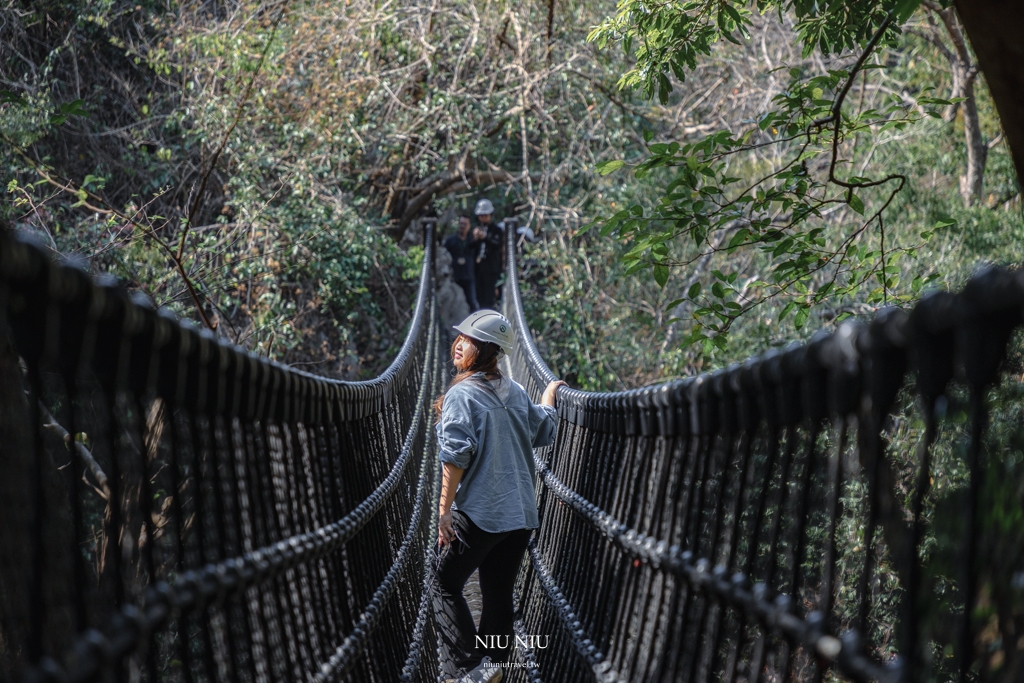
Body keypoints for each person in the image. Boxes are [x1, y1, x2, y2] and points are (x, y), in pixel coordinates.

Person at [431, 310, 566, 683]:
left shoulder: (461, 394)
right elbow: (543, 428)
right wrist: (550, 396)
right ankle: (493, 670)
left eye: (468, 340)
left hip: (481, 514)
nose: (458, 343)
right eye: (458, 336)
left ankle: (469, 667)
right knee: (497, 593)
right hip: (521, 514)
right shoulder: (516, 391)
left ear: (486, 350)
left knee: (442, 583)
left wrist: (444, 511)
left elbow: (455, 458)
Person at [472, 199, 505, 309]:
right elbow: (470, 248)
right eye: (481, 216)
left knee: (491, 297)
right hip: (479, 270)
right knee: (480, 296)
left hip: (492, 270)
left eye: (485, 215)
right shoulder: (476, 229)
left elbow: (497, 244)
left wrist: (485, 238)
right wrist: (475, 239)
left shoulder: (496, 230)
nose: (483, 218)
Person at [444, 215, 480, 312]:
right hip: (455, 277)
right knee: (451, 303)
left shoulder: (473, 241)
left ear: (469, 226)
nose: (463, 226)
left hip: (469, 276)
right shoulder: (450, 240)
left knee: (472, 302)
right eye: (461, 223)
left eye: (465, 224)